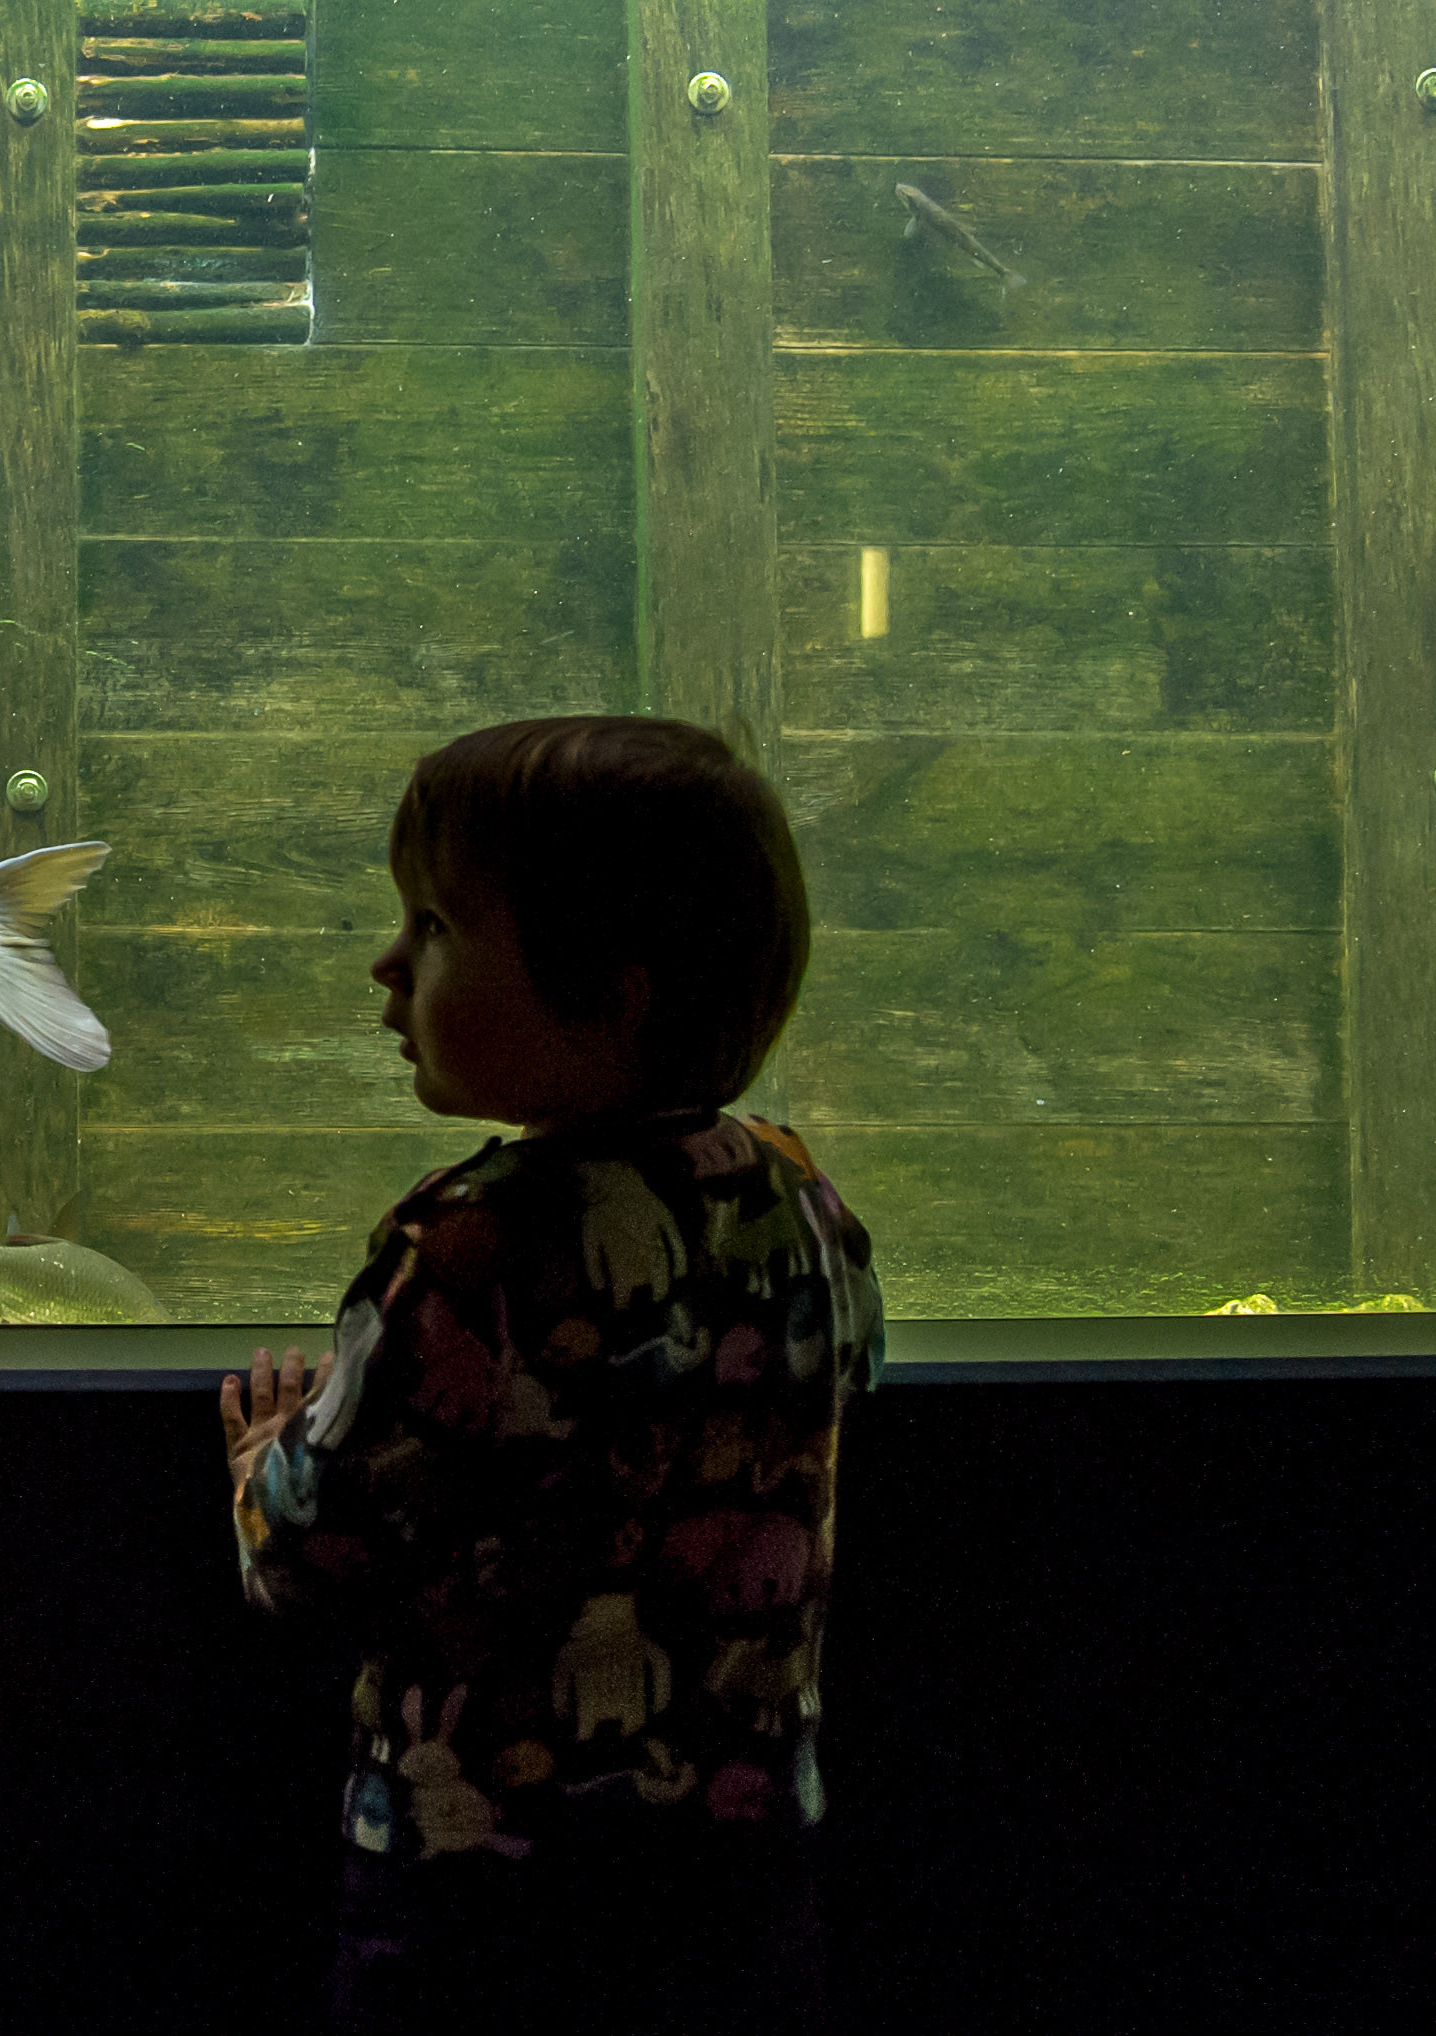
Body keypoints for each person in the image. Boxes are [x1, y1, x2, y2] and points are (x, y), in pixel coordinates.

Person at [222, 715, 882, 2033]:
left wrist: (260, 1460)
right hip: (738, 1873)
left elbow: (309, 1555)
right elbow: (835, 1381)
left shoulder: (467, 1243)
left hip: (478, 1886)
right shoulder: (791, 1188)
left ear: (613, 989)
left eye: (434, 927)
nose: (385, 963)